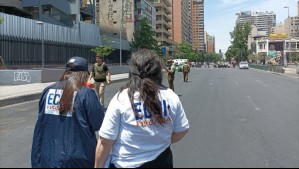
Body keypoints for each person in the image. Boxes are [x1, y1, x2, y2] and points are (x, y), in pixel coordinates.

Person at [94, 49, 189, 168]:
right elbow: (182, 130)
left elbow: (105, 141)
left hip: (127, 164)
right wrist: (162, 141)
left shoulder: (121, 98)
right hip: (162, 161)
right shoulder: (170, 96)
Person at [31, 56, 105, 168]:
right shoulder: (85, 93)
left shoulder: (48, 91)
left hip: (48, 158)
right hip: (77, 160)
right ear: (84, 74)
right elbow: (98, 122)